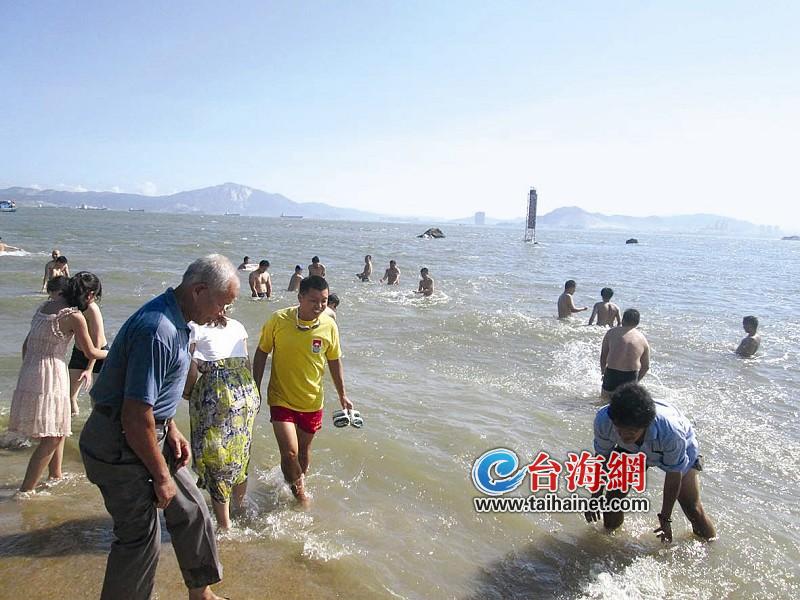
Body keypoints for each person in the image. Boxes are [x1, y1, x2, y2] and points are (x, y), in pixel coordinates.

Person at [79, 254, 236, 600]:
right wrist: (161, 476)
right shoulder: (158, 330)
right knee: (139, 539)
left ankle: (201, 593)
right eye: (222, 304)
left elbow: (154, 396)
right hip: (119, 444)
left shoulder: (181, 319)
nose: (223, 314)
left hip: (152, 431)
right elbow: (133, 415)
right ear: (198, 291)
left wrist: (172, 427)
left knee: (193, 510)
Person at [252, 275, 353, 505]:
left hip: (312, 400)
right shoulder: (278, 319)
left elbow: (335, 361)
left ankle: (292, 483)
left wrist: (342, 395)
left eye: (324, 301)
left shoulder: (329, 326)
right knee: (289, 453)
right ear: (300, 298)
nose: (319, 306)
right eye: (313, 300)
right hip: (280, 398)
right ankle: (300, 497)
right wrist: (255, 387)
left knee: (303, 453)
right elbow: (261, 352)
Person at [8, 275, 108, 494]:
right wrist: (117, 353)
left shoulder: (45, 306)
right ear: (89, 295)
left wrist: (32, 370)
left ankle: (55, 475)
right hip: (52, 373)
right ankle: (26, 491)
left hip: (31, 370)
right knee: (52, 437)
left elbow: (26, 345)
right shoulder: (74, 316)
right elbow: (90, 351)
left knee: (57, 429)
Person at [586, 383, 717, 542]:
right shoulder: (604, 420)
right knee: (612, 501)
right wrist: (595, 494)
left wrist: (665, 518)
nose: (624, 436)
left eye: (631, 432)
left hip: (679, 449)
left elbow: (673, 475)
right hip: (631, 451)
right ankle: (611, 543)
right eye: (619, 430)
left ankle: (711, 546)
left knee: (692, 508)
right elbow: (601, 459)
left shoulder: (671, 432)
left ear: (645, 425)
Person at [183, 314, 260, 531]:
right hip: (245, 391)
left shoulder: (195, 327)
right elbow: (247, 363)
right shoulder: (238, 325)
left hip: (218, 393)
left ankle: (224, 526)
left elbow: (191, 367)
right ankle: (241, 508)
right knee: (240, 451)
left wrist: (187, 391)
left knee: (216, 456)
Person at [68, 272, 108, 416]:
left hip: (99, 355)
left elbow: (96, 343)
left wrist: (89, 369)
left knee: (96, 399)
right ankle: (68, 431)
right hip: (79, 352)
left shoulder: (92, 309)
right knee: (70, 396)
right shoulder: (73, 305)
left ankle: (94, 429)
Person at [600, 308, 650, 399]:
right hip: (630, 375)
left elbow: (603, 356)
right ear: (637, 323)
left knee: (604, 402)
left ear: (623, 320)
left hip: (612, 372)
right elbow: (646, 367)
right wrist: (636, 382)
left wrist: (603, 373)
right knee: (626, 406)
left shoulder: (611, 332)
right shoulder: (643, 339)